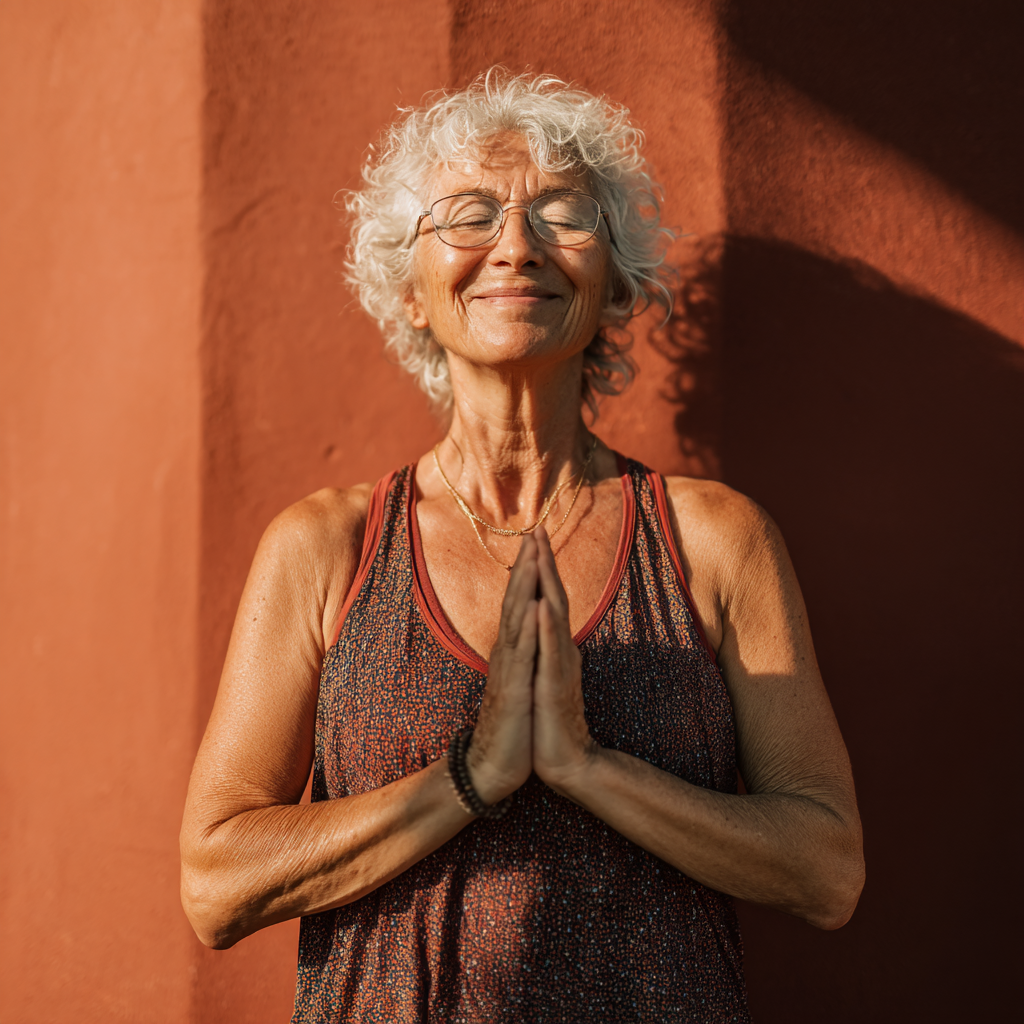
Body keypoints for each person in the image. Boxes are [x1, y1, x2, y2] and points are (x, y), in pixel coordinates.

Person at [180, 69, 864, 1023]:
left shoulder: (714, 540)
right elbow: (216, 885)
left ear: (613, 282)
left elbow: (825, 870)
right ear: (411, 292)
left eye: (562, 215)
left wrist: (587, 767)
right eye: (469, 217)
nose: (515, 246)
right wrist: (472, 777)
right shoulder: (327, 547)